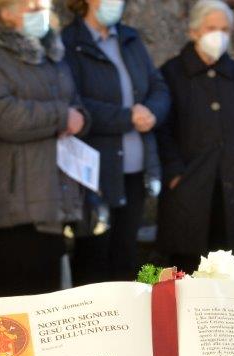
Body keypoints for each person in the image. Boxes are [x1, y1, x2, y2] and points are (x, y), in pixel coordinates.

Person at [0, 0, 87, 298]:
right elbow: (1, 116)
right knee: (9, 307)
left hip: (50, 200)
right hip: (9, 206)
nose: (40, 14)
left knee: (47, 303)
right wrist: (61, 117)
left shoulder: (52, 54)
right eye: (31, 8)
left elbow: (74, 103)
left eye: (43, 7)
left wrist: (81, 117)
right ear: (4, 12)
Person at [155, 0, 234, 275]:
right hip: (188, 190)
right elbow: (162, 129)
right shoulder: (171, 74)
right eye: (211, 28)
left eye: (225, 29)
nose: (218, 35)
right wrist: (174, 174)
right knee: (186, 274)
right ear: (194, 31)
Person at [63, 0, 170, 284]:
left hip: (136, 169)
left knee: (126, 256)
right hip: (95, 172)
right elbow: (74, 104)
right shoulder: (70, 42)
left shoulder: (130, 38)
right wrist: (127, 117)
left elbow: (158, 87)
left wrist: (152, 112)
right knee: (93, 260)